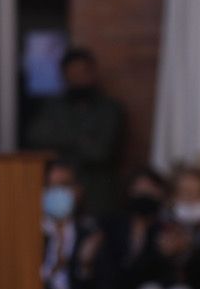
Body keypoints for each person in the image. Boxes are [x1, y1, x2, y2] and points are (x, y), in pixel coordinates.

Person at [25, 46, 127, 220]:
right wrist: (83, 138)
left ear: (92, 73)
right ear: (64, 75)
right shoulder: (52, 108)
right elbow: (37, 138)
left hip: (97, 198)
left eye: (83, 72)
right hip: (57, 197)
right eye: (73, 73)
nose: (78, 78)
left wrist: (60, 139)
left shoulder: (109, 109)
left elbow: (100, 151)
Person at [39, 159, 95, 289]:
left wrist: (85, 263)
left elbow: (104, 288)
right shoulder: (31, 230)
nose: (56, 193)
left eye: (64, 186)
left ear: (78, 191)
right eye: (50, 187)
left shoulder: (90, 232)